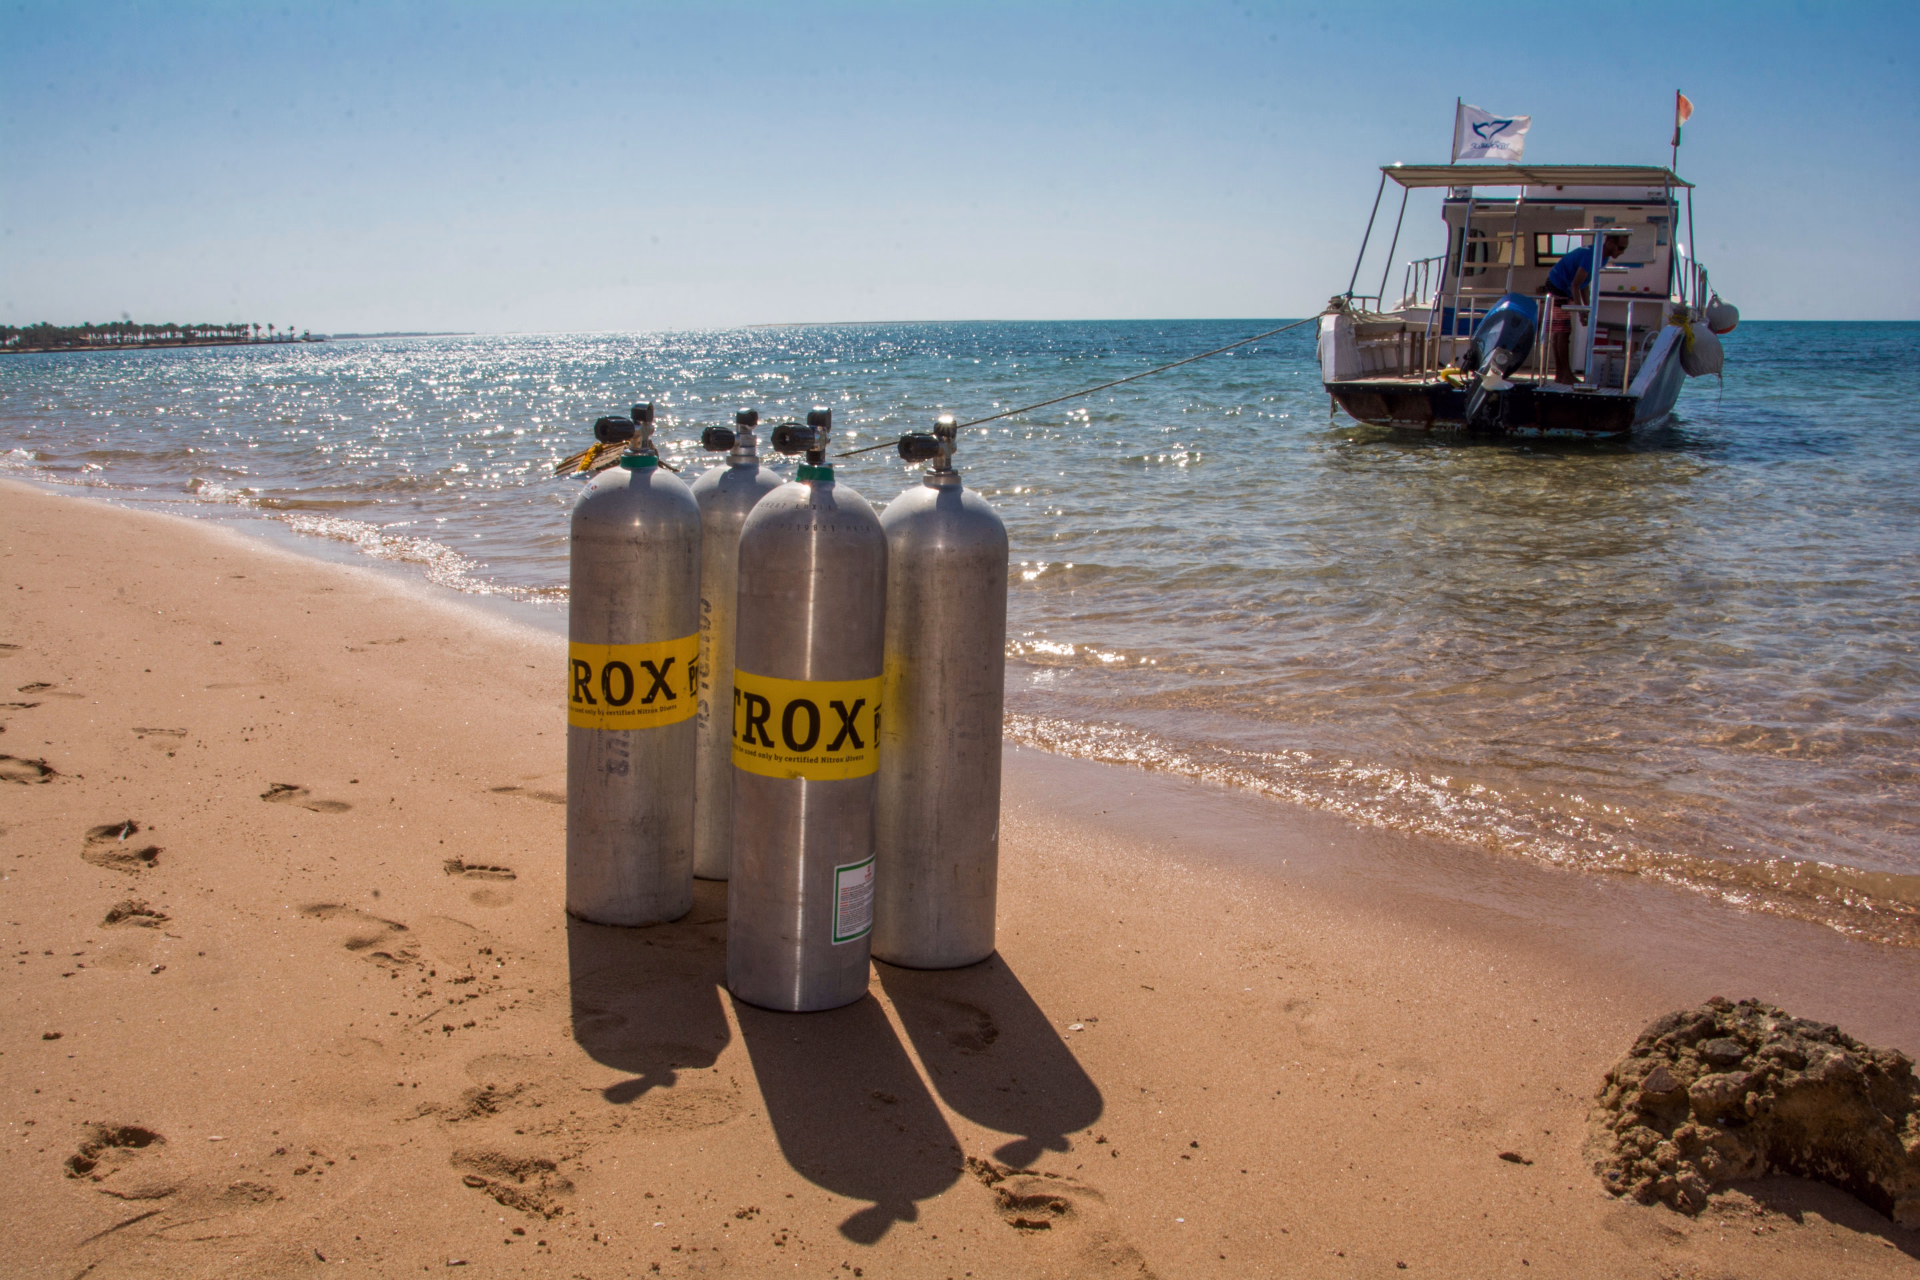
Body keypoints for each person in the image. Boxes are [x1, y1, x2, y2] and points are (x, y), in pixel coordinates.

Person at [1544, 233, 1629, 384]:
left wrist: (1588, 307)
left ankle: (1561, 374)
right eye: (1621, 248)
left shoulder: (1601, 256)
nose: (1622, 252)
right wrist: (1581, 311)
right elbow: (1575, 285)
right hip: (1557, 285)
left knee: (1560, 331)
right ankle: (1565, 374)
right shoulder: (1591, 256)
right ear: (1609, 243)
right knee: (1563, 331)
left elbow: (1584, 284)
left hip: (1561, 286)